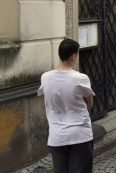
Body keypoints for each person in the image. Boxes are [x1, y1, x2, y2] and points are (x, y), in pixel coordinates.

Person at [38, 39, 95, 173]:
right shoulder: (81, 78)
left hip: (57, 135)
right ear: (73, 56)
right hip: (80, 133)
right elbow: (90, 104)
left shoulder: (45, 77)